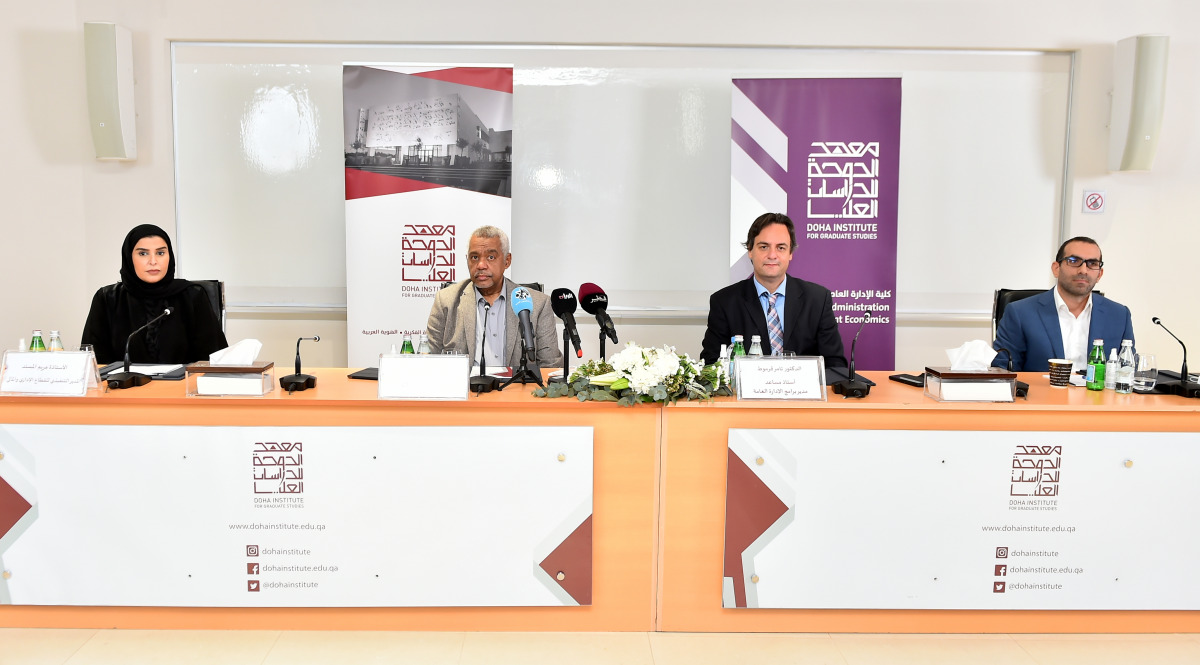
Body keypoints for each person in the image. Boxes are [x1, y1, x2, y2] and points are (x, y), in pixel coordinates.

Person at [701, 212, 847, 368]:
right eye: (764, 247)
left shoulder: (817, 299)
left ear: (790, 253)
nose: (772, 255)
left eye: (781, 247)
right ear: (750, 250)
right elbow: (711, 364)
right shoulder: (724, 302)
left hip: (802, 391)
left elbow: (835, 364)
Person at [82, 224, 228, 364]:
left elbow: (212, 360)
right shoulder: (108, 299)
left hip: (181, 387)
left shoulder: (192, 296)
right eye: (143, 253)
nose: (153, 261)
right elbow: (93, 361)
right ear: (129, 257)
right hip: (123, 388)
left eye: (160, 253)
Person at [426, 225, 563, 368]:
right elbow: (427, 359)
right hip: (466, 388)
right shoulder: (446, 300)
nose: (481, 265)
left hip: (517, 388)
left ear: (507, 261)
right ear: (467, 260)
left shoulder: (538, 303)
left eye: (491, 257)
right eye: (474, 257)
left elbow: (551, 366)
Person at [992, 236, 1134, 372]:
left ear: (1099, 274)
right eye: (1073, 261)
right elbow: (1004, 371)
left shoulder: (1119, 315)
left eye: (1092, 264)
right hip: (1044, 395)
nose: (1083, 270)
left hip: (1099, 397)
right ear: (1056, 268)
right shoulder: (1020, 312)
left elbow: (1127, 369)